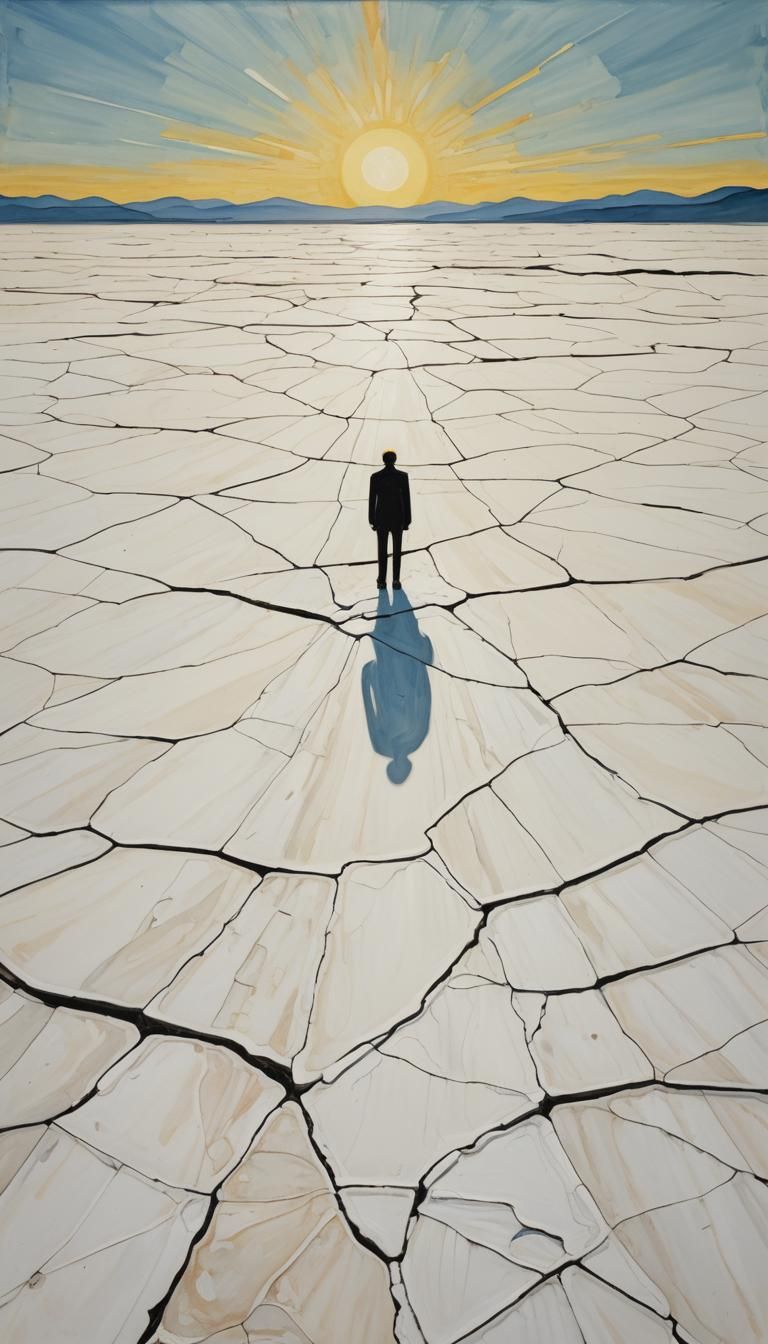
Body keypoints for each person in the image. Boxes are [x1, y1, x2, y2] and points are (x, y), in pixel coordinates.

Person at [368, 450, 411, 590]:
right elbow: (406, 500)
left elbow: (372, 500)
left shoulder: (376, 477)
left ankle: (381, 580)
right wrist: (407, 521)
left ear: (383, 460)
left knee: (382, 551)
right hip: (398, 519)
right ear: (395, 460)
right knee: (397, 551)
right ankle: (396, 580)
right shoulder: (402, 477)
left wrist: (372, 520)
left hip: (381, 519)